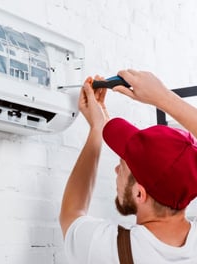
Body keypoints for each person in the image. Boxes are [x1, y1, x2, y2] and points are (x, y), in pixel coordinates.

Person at [59, 69, 197, 263]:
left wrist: (96, 129)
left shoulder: (110, 249)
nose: (116, 170)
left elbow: (71, 214)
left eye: (122, 165)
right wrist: (163, 97)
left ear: (140, 194)